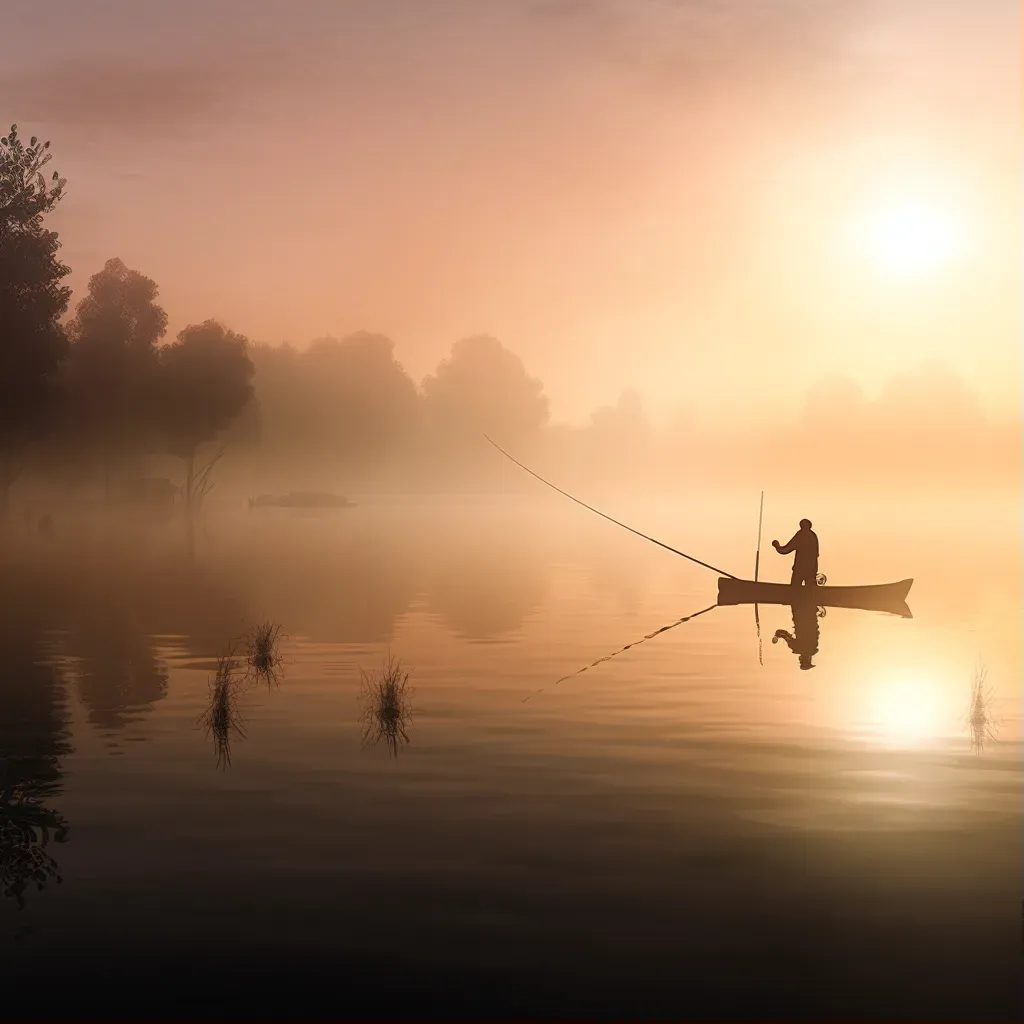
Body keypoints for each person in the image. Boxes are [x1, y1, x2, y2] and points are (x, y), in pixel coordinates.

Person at [772, 519, 819, 587]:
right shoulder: (813, 536)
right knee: (811, 589)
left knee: (795, 589)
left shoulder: (801, 535)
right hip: (811, 568)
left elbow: (786, 549)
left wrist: (777, 546)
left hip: (800, 568)